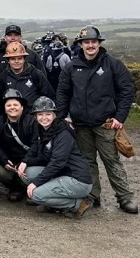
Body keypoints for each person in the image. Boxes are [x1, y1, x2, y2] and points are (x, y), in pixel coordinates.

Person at [56, 25, 138, 214]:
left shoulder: (113, 64)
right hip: (81, 125)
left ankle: (125, 197)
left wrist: (120, 117)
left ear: (99, 43)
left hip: (106, 124)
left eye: (94, 42)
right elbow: (63, 93)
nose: (90, 45)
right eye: (87, 42)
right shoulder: (71, 67)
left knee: (111, 160)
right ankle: (93, 196)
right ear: (81, 44)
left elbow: (127, 91)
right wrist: (62, 116)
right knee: (87, 161)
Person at [18, 97, 93, 218]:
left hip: (77, 179)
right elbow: (43, 157)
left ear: (54, 115)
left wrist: (36, 183)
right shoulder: (43, 131)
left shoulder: (63, 133)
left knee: (36, 195)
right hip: (61, 173)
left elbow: (57, 162)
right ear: (35, 117)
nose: (44, 117)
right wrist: (25, 162)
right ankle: (53, 202)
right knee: (26, 173)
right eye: (40, 114)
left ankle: (77, 204)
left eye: (48, 114)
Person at [0, 89, 38, 202]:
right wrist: (4, 160)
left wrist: (26, 161)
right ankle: (17, 189)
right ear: (4, 108)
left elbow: (36, 144)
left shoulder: (32, 121)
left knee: (29, 172)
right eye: (8, 105)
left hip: (30, 160)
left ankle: (35, 191)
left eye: (15, 104)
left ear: (22, 107)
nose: (12, 107)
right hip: (11, 161)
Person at [0, 42, 54, 111]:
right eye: (13, 59)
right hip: (12, 115)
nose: (16, 61)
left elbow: (49, 95)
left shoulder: (36, 74)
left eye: (19, 58)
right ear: (8, 61)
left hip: (33, 116)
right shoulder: (3, 78)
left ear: (24, 59)